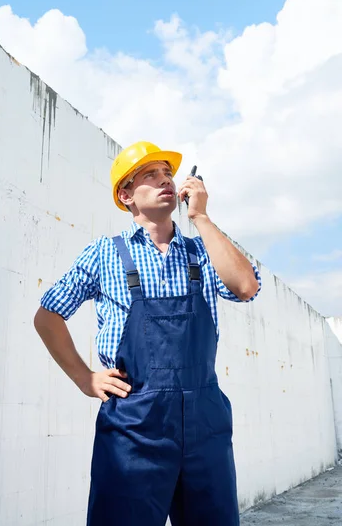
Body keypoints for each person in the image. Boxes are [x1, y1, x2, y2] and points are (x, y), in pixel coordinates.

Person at [34, 141, 261, 526]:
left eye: (168, 174)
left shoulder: (202, 252)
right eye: (151, 175)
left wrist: (202, 218)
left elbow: (246, 287)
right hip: (134, 426)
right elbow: (48, 315)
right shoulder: (104, 254)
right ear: (126, 195)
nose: (165, 181)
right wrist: (84, 377)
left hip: (205, 423)